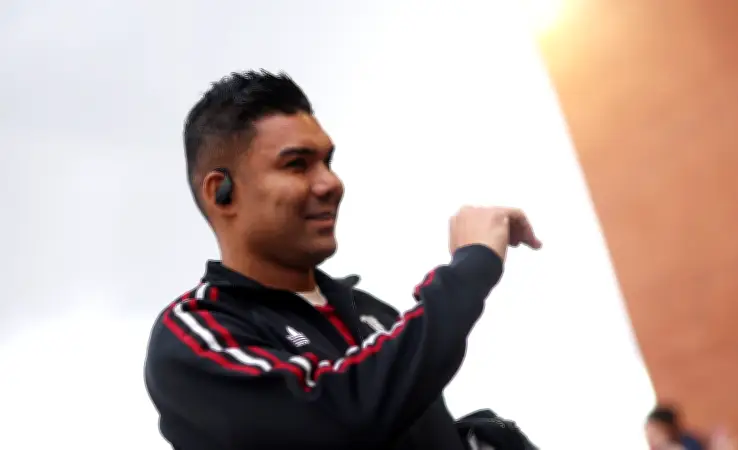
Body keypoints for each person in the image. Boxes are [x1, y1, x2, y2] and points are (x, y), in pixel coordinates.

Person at [143, 70, 541, 450]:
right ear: (222, 193)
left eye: (327, 162)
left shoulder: (373, 313)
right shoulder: (194, 334)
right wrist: (470, 269)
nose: (330, 183)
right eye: (296, 164)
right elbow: (336, 420)